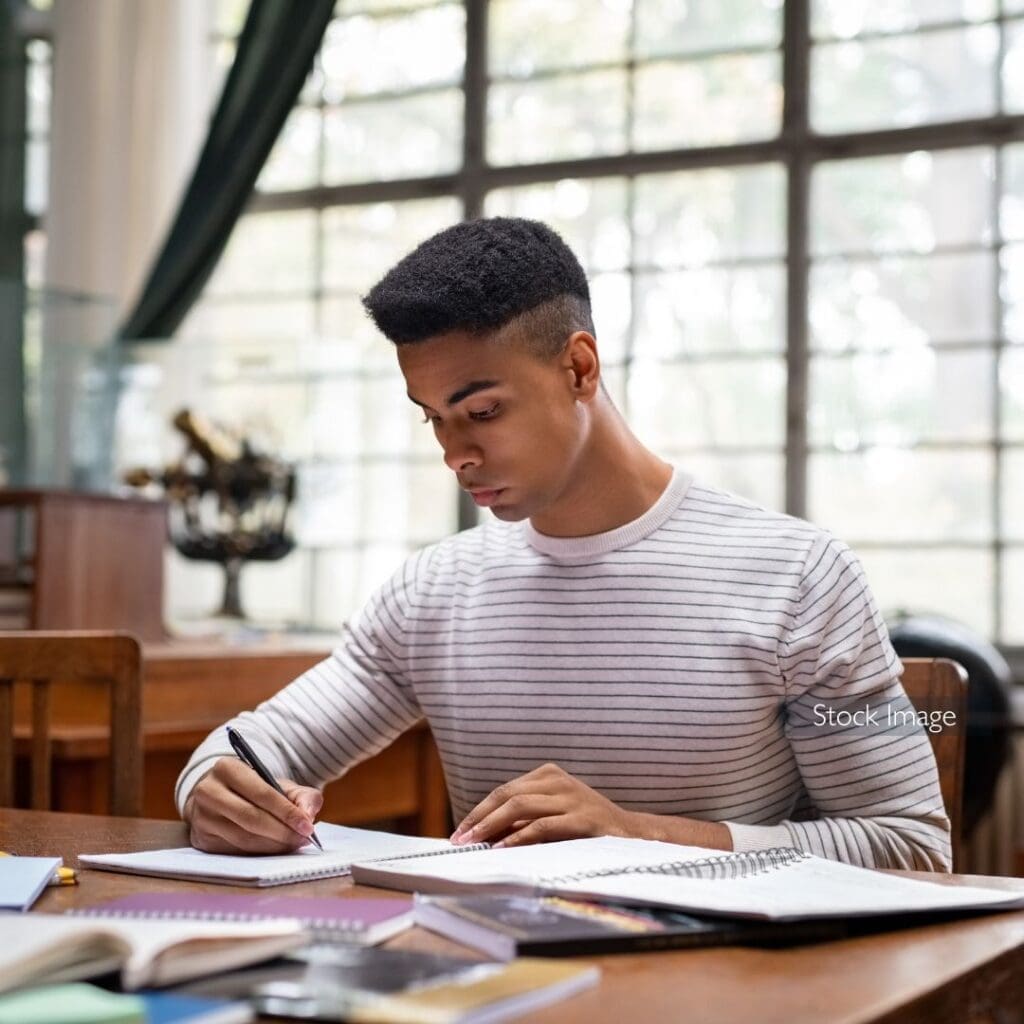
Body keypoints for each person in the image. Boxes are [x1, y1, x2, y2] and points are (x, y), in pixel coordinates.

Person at [177, 217, 951, 871]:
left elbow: (910, 845)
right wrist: (215, 787)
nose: (455, 455)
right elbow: (250, 749)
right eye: (432, 418)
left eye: (480, 412)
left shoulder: (797, 579)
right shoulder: (434, 594)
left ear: (578, 368)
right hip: (492, 985)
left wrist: (638, 834)